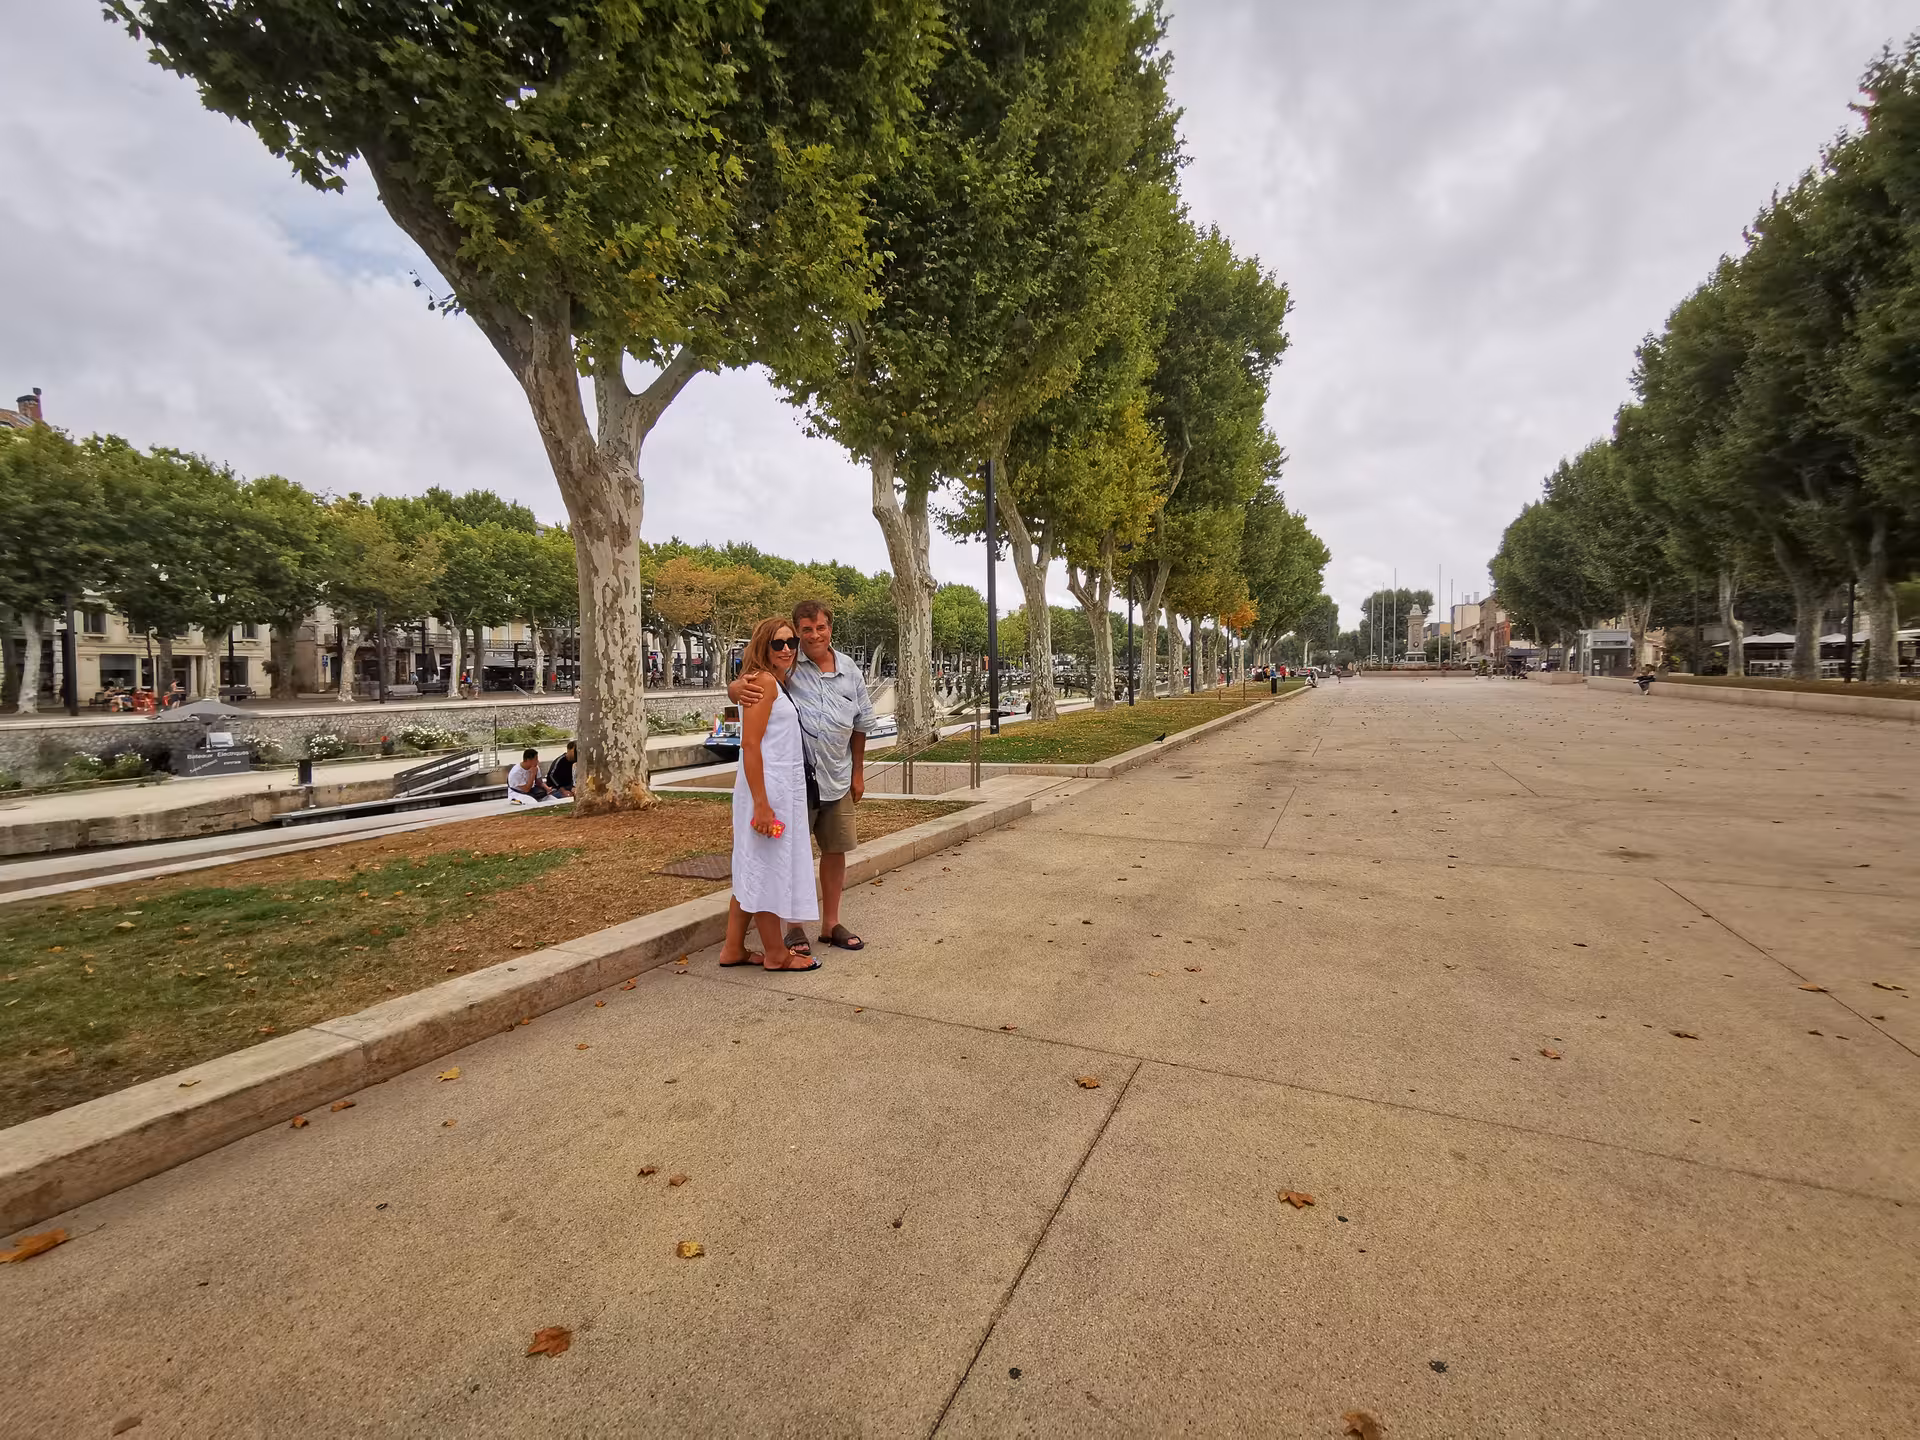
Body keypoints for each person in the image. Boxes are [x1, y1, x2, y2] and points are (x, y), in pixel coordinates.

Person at [731, 599, 874, 955]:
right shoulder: (788, 667)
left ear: (830, 628)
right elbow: (753, 684)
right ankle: (793, 926)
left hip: (837, 777)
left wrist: (858, 773)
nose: (812, 636)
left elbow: (861, 725)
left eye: (820, 627)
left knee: (835, 849)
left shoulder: (850, 670)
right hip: (796, 784)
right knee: (791, 852)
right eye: (804, 631)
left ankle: (830, 924)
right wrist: (733, 689)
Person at [718, 617, 819, 972]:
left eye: (792, 642)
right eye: (779, 643)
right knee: (766, 869)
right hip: (768, 790)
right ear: (764, 646)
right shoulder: (764, 681)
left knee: (752, 865)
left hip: (776, 787)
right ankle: (776, 953)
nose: (788, 648)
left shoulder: (775, 680)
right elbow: (750, 743)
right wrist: (762, 804)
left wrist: (733, 687)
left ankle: (733, 948)